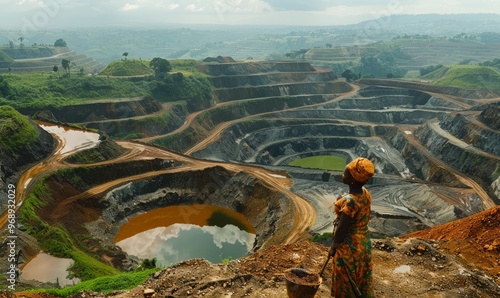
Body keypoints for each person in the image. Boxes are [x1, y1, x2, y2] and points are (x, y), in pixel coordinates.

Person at [329, 157, 375, 297]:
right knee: (360, 277)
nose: (342, 176)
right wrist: (343, 198)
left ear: (353, 179)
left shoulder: (349, 202)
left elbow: (342, 228)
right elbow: (357, 202)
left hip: (349, 247)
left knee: (345, 279)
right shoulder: (365, 193)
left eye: (345, 174)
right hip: (363, 244)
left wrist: (334, 246)